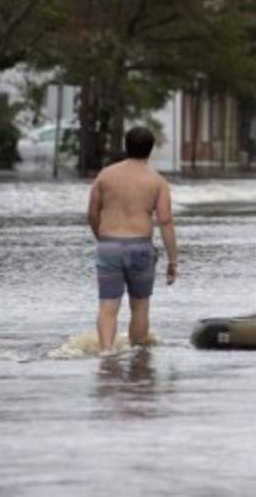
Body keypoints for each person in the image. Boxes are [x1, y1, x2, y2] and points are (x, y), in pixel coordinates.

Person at [87, 126, 177, 354]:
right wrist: (173, 261)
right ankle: (138, 355)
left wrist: (102, 239)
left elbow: (92, 213)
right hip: (140, 247)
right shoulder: (157, 181)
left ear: (126, 145)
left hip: (109, 245)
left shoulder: (105, 175)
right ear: (150, 149)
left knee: (108, 306)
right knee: (139, 306)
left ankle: (106, 352)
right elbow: (165, 221)